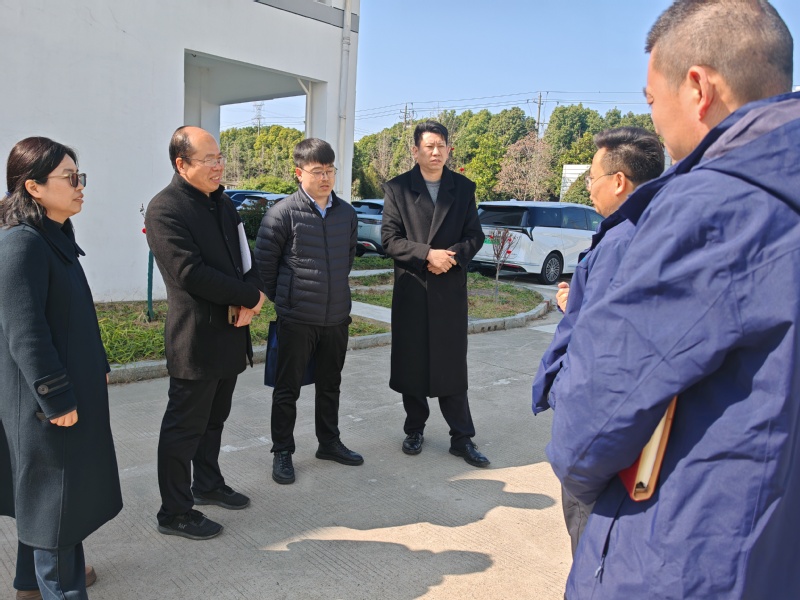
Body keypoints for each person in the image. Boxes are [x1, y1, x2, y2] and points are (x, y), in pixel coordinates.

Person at [545, 1, 800, 598]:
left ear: (698, 88)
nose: (653, 120)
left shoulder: (712, 206)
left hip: (691, 550)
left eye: (652, 99)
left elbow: (593, 421)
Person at [531, 127, 664, 557]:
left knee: (590, 550)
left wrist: (576, 453)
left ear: (619, 180)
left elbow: (604, 352)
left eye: (592, 178)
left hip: (598, 435)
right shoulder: (656, 227)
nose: (589, 187)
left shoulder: (620, 241)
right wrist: (578, 303)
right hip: (629, 430)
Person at [0, 137, 122, 599]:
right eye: (70, 178)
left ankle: (29, 584)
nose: (79, 185)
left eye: (79, 176)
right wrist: (55, 397)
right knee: (56, 502)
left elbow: (76, 314)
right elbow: (25, 332)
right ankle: (60, 590)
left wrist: (98, 364)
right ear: (33, 186)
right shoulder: (22, 244)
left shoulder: (54, 235)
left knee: (47, 495)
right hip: (44, 402)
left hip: (70, 386)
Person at [145, 126, 266, 540]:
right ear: (182, 164)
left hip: (231, 332)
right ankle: (174, 511)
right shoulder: (166, 209)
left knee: (215, 419)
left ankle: (208, 484)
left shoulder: (223, 204)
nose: (219, 166)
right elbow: (189, 273)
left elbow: (245, 258)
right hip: (195, 338)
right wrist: (248, 295)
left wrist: (253, 296)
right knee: (184, 428)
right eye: (209, 159)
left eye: (220, 158)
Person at [381, 120, 489, 467]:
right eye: (429, 146)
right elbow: (390, 239)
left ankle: (462, 437)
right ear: (415, 150)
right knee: (412, 363)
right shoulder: (397, 188)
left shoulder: (463, 188)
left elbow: (475, 235)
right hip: (414, 287)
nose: (436, 152)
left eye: (441, 145)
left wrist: (450, 257)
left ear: (448, 149)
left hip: (448, 289)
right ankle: (414, 429)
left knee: (451, 365)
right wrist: (428, 254)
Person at [254, 138, 362, 485]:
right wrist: (287, 301)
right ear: (299, 173)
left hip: (336, 317)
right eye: (318, 171)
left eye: (330, 170)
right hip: (298, 318)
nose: (325, 178)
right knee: (287, 389)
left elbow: (346, 261)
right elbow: (265, 268)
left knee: (331, 385)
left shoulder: (346, 213)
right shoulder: (282, 214)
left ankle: (329, 442)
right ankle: (282, 451)